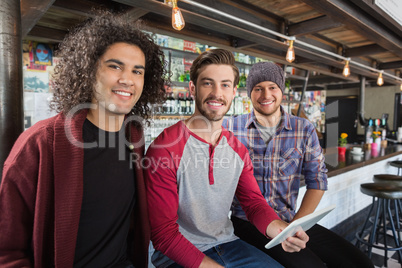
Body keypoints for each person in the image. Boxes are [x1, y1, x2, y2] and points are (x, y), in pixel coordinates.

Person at [0, 11, 168, 267]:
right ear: (88, 69)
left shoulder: (134, 138)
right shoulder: (41, 142)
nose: (127, 79)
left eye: (137, 71)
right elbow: (7, 249)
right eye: (115, 66)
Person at [145, 49, 309, 268]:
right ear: (192, 88)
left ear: (234, 92)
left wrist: (282, 232)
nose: (216, 93)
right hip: (176, 253)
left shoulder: (237, 150)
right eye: (207, 83)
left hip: (228, 243)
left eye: (224, 85)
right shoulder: (164, 148)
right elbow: (163, 235)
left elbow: (254, 204)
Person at [222, 61, 374, 268]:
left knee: (360, 263)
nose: (266, 95)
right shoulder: (230, 127)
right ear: (249, 93)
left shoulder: (303, 129)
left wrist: (296, 225)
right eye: (258, 88)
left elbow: (318, 180)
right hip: (246, 222)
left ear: (282, 92)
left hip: (290, 219)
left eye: (272, 87)